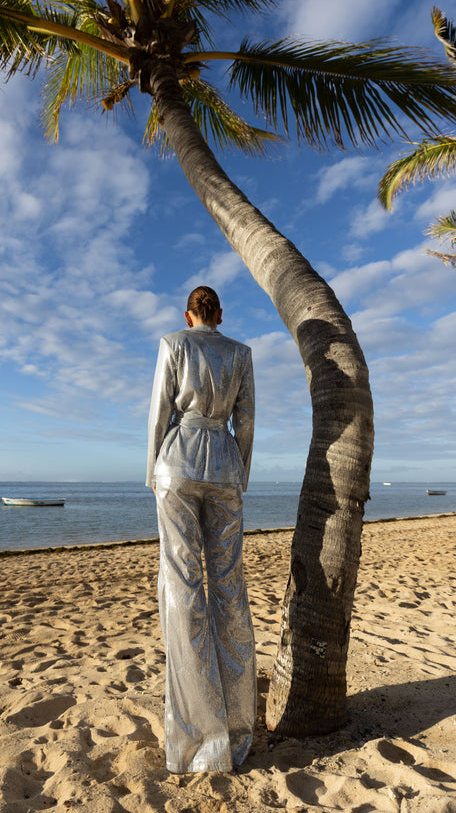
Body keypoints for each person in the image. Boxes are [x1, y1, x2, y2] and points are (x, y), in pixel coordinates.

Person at [146, 285, 256, 774]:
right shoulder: (241, 353)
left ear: (188, 314)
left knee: (183, 587)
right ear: (220, 314)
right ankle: (236, 733)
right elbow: (246, 421)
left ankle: (196, 741)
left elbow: (160, 414)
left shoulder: (174, 343)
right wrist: (240, 474)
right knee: (229, 587)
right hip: (225, 466)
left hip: (178, 463)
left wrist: (152, 472)